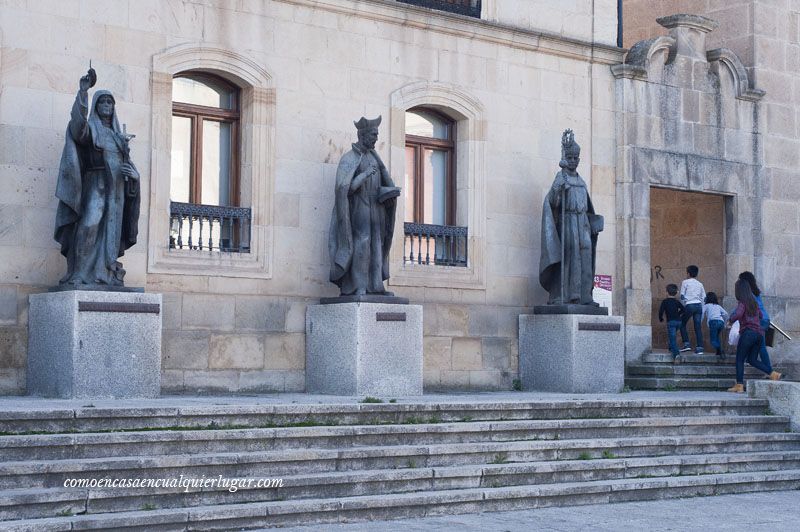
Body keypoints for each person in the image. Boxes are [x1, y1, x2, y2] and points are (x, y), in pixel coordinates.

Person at [54, 67, 140, 288]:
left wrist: (135, 177)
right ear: (96, 105)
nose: (106, 107)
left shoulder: (118, 137)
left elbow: (127, 165)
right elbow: (77, 128)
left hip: (117, 191)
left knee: (111, 230)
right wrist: (83, 92)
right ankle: (78, 273)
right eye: (102, 102)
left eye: (110, 103)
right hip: (96, 184)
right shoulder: (90, 128)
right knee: (89, 224)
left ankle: (105, 272)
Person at [328, 116, 399, 296]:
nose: (376, 138)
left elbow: (383, 181)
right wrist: (365, 174)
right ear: (363, 135)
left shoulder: (375, 158)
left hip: (377, 209)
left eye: (377, 135)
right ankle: (358, 285)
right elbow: (345, 188)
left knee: (377, 245)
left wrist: (388, 192)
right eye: (373, 135)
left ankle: (376, 286)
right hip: (359, 209)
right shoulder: (349, 158)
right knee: (362, 245)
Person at [539, 130, 603, 305]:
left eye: (576, 158)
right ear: (565, 158)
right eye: (570, 158)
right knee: (570, 257)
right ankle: (567, 294)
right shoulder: (561, 177)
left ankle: (585, 295)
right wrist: (559, 189)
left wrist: (594, 221)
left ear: (579, 160)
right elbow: (553, 202)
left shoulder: (581, 181)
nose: (573, 161)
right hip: (568, 223)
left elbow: (587, 206)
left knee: (586, 256)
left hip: (582, 223)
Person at [727, 279, 781, 393]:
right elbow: (761, 315)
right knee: (752, 359)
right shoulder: (754, 302)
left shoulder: (743, 302)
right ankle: (773, 373)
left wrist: (730, 320)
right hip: (759, 334)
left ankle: (739, 385)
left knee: (739, 359)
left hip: (748, 333)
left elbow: (738, 314)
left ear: (739, 290)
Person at [738, 271, 772, 369]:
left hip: (759, 320)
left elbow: (742, 309)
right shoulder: (756, 292)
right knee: (758, 344)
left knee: (761, 347)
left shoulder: (748, 294)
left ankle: (769, 370)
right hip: (765, 319)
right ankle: (751, 359)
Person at [680, 265, 706, 354]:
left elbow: (682, 296)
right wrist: (701, 305)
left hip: (689, 305)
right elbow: (704, 297)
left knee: (682, 324)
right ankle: (700, 347)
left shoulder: (685, 282)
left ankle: (686, 344)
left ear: (688, 273)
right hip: (699, 306)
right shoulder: (700, 284)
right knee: (697, 327)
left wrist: (684, 305)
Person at [659, 284, 688, 363]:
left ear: (667, 292)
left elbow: (661, 311)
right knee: (672, 335)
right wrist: (678, 314)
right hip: (679, 322)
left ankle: (676, 354)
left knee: (673, 339)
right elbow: (683, 309)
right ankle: (671, 348)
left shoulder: (665, 301)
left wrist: (660, 318)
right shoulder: (677, 302)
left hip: (671, 322)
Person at [702, 292, 729, 359]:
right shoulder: (718, 306)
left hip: (713, 322)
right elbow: (726, 314)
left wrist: (700, 321)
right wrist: (725, 322)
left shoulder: (706, 306)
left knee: (713, 340)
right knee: (717, 337)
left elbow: (702, 313)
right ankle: (718, 352)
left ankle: (720, 350)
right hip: (721, 322)